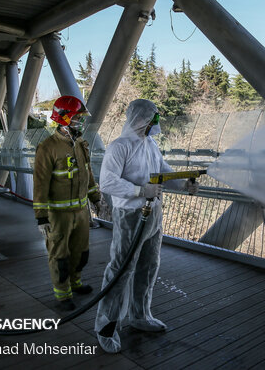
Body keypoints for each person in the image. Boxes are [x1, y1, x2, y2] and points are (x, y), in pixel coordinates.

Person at [94, 99, 199, 353]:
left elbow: (161, 172)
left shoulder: (150, 144)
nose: (156, 123)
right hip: (130, 216)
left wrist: (183, 184)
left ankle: (140, 315)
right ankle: (106, 326)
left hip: (153, 214)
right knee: (121, 269)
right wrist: (140, 189)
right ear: (140, 119)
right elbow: (107, 183)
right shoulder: (119, 147)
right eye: (153, 118)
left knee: (149, 265)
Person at [33, 95, 101, 312]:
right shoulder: (47, 147)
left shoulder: (81, 144)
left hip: (81, 212)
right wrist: (41, 218)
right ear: (63, 119)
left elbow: (87, 174)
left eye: (81, 118)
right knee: (59, 255)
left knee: (81, 252)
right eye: (76, 118)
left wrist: (96, 198)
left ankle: (76, 283)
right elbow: (40, 184)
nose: (80, 122)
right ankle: (63, 295)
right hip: (58, 215)